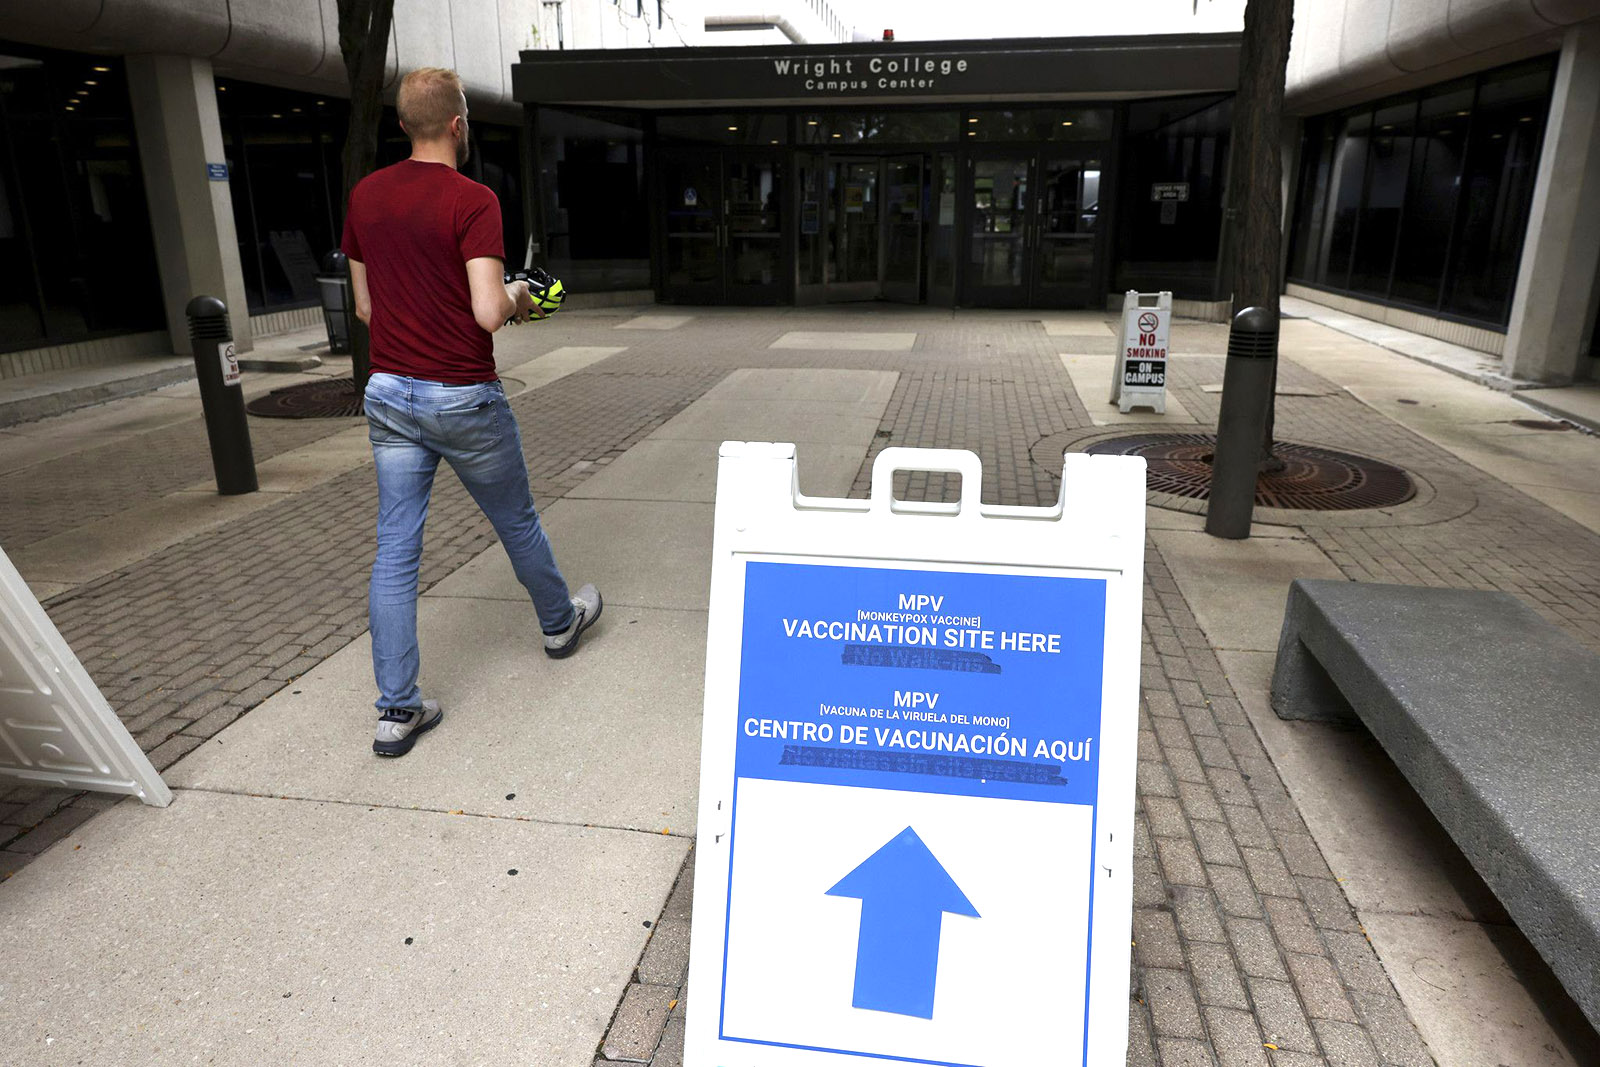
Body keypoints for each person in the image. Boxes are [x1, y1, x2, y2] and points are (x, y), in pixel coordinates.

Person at [341, 67, 601, 758]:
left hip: (391, 393)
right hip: (462, 394)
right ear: (458, 125)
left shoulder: (365, 196)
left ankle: (396, 711)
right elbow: (487, 311)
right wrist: (521, 293)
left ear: (403, 124)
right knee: (514, 518)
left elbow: (366, 308)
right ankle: (558, 623)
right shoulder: (473, 199)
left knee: (396, 550)